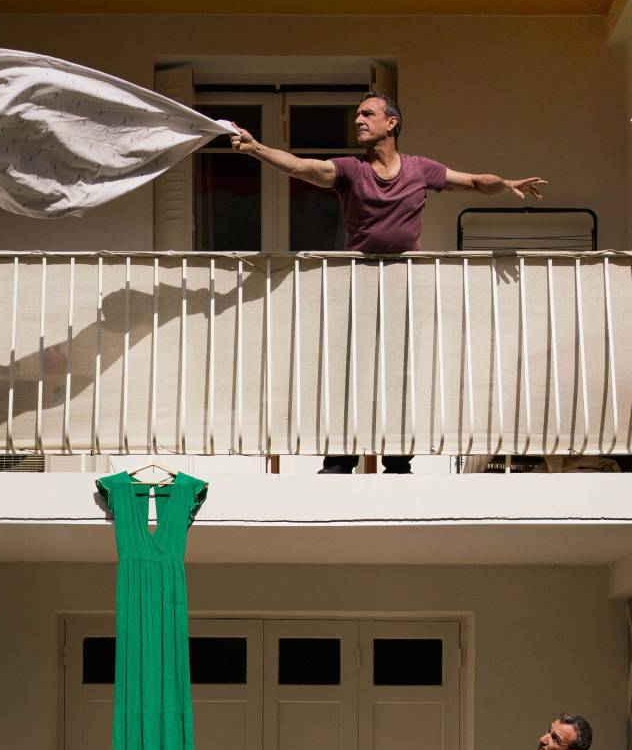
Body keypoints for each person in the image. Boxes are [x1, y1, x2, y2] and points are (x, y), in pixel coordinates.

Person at [229, 94, 546, 472]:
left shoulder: (419, 169)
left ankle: (397, 459)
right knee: (350, 373)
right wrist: (256, 148)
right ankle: (339, 460)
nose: (358, 120)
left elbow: (475, 182)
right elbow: (301, 167)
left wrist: (506, 183)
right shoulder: (351, 170)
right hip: (359, 285)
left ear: (391, 123)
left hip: (403, 287)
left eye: (368, 114)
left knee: (400, 374)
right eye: (357, 115)